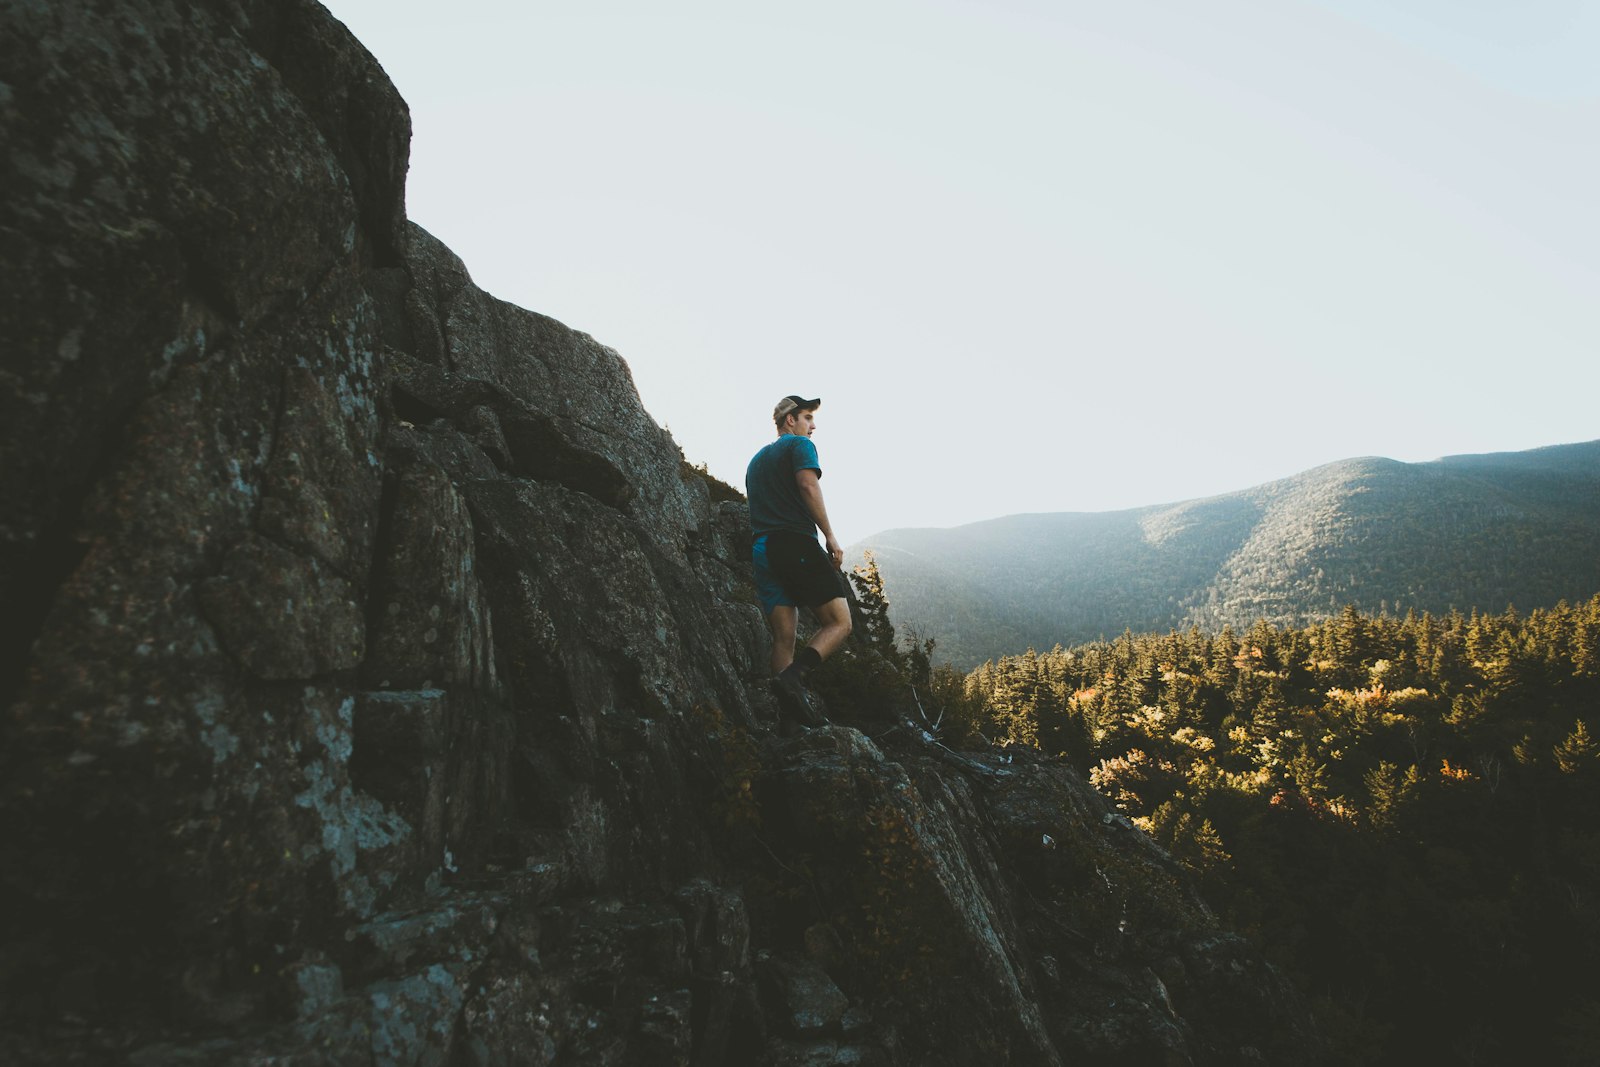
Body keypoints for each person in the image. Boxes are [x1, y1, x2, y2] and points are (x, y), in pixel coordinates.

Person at [745, 394, 853, 724]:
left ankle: (788, 720)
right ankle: (796, 677)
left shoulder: (755, 461)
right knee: (840, 622)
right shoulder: (799, 446)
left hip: (762, 549)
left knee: (784, 638)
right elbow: (808, 485)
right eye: (807, 417)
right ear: (790, 420)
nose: (813, 425)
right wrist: (830, 534)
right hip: (794, 542)